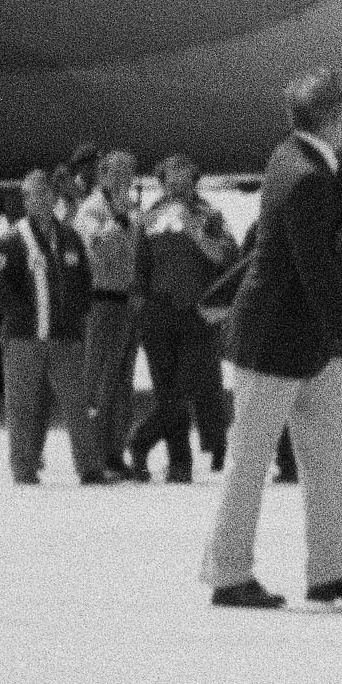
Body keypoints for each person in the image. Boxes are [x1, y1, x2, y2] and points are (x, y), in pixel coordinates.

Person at [200, 70, 342, 611]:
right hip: (277, 341)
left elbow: (317, 206)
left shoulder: (295, 159)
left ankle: (332, 570)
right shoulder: (307, 175)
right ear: (334, 117)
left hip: (305, 343)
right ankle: (228, 573)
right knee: (250, 459)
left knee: (329, 458)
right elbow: (316, 271)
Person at [0, 167, 105, 487]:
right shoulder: (9, 240)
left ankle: (89, 467)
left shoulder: (70, 237)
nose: (39, 201)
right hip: (25, 339)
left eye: (44, 194)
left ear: (54, 198)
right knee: (22, 407)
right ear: (24, 200)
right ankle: (24, 469)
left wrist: (77, 314)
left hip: (65, 338)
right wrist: (21, 316)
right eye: (32, 195)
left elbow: (83, 281)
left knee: (77, 404)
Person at [128, 154, 236, 484]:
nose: (178, 182)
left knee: (193, 388)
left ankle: (140, 440)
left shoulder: (210, 215)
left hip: (196, 315)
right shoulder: (148, 218)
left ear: (194, 179)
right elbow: (139, 273)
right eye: (171, 177)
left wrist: (196, 234)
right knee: (167, 393)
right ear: (162, 181)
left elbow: (227, 257)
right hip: (158, 315)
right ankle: (179, 464)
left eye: (185, 176)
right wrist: (141, 317)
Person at [75, 148, 144, 480]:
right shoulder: (92, 210)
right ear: (101, 175)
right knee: (98, 382)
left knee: (121, 385)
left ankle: (116, 452)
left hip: (127, 305)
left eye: (128, 173)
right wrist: (117, 221)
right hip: (101, 303)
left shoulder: (131, 211)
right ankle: (93, 455)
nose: (123, 180)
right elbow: (96, 249)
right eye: (115, 173)